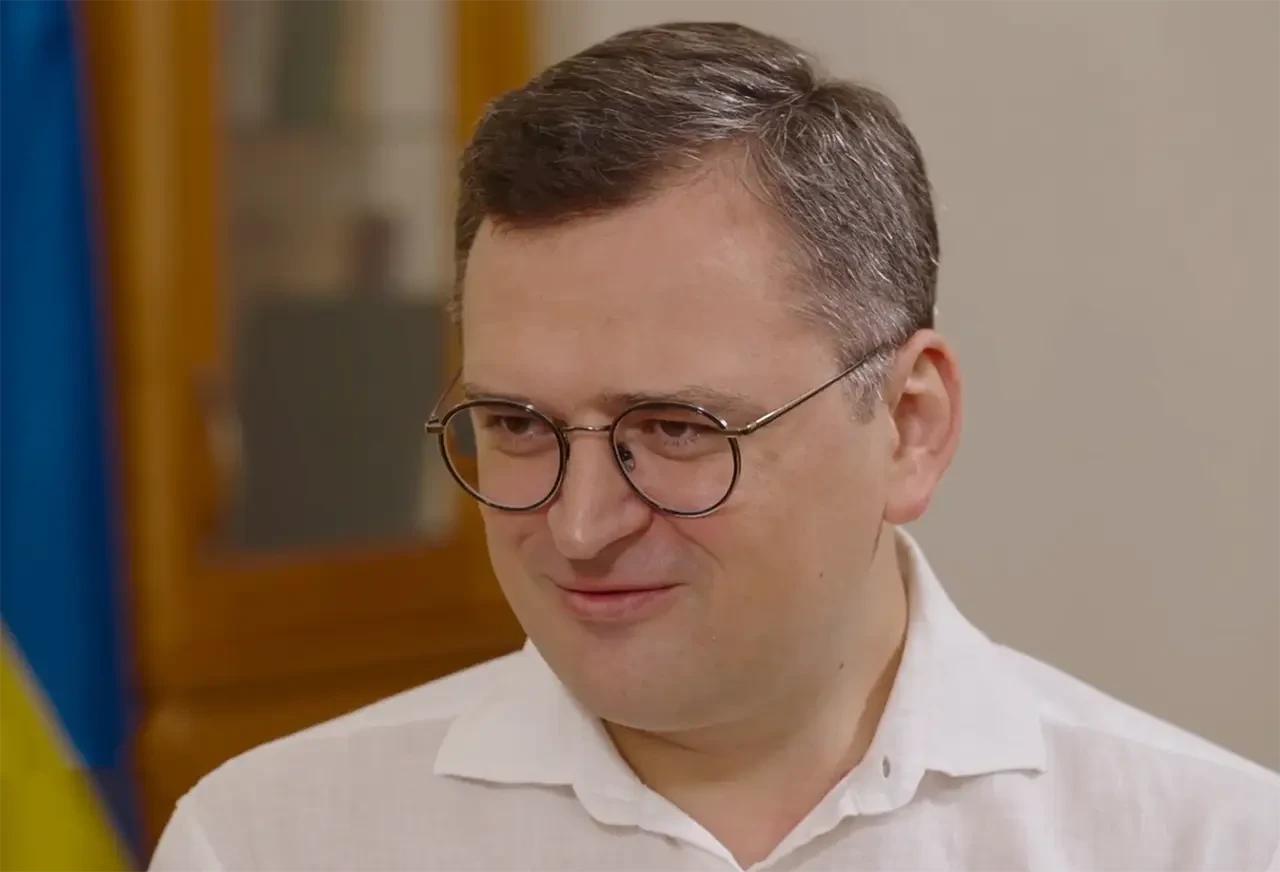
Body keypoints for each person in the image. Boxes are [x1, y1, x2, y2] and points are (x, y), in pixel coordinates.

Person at [149, 21, 1280, 872]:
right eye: (517, 426)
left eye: (676, 429)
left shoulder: (1206, 842)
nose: (579, 527)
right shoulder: (270, 841)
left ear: (909, 425)